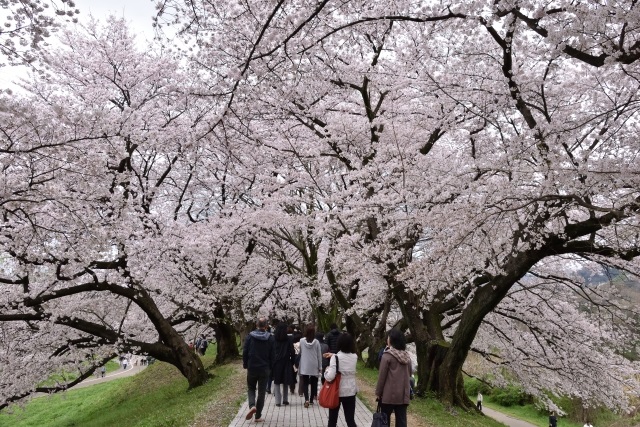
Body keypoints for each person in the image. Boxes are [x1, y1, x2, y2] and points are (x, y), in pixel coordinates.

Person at [375, 329, 412, 427]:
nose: (387, 339)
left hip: (388, 395)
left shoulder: (387, 356)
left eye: (388, 337)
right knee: (401, 422)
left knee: (384, 421)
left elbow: (382, 376)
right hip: (403, 395)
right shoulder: (407, 357)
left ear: (391, 340)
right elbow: (410, 374)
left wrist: (378, 393)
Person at [243, 317, 275, 423]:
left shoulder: (250, 337)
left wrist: (245, 364)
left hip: (252, 367)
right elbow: (273, 355)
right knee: (261, 392)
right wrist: (271, 367)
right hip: (264, 368)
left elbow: (245, 351)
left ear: (257, 325)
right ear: (266, 326)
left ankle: (252, 406)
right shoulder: (270, 338)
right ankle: (257, 416)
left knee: (251, 388)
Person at [324, 333, 358, 427]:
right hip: (350, 391)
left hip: (337, 392)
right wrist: (333, 355)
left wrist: (326, 371)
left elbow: (330, 376)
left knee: (332, 420)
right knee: (350, 420)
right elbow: (345, 358)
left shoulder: (335, 358)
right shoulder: (355, 357)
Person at [298, 324, 323, 407]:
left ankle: (306, 399)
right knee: (313, 383)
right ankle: (312, 399)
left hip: (305, 364)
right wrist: (320, 367)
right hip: (314, 364)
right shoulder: (316, 342)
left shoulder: (301, 341)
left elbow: (300, 352)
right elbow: (319, 355)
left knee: (305, 382)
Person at [272, 322, 295, 406]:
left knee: (277, 381)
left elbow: (271, 350)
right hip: (286, 361)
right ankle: (285, 399)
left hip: (276, 361)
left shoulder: (273, 338)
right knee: (286, 380)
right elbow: (292, 351)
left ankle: (277, 401)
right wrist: (293, 361)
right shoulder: (288, 339)